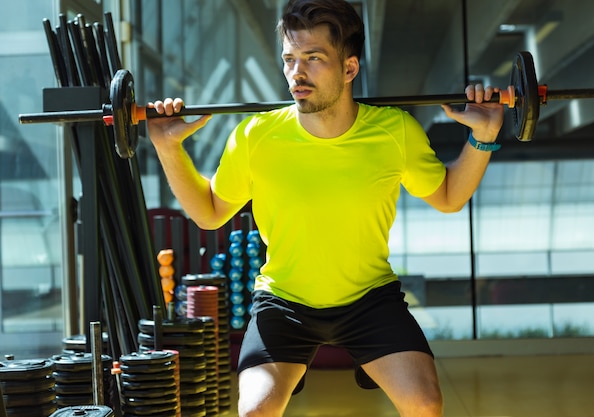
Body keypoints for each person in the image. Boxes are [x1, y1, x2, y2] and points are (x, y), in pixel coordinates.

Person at [147, 0, 504, 415]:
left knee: (425, 403)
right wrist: (167, 147)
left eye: (313, 59)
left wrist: (484, 135)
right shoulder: (256, 136)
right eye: (290, 59)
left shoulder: (394, 132)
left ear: (349, 68)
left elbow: (448, 197)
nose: (296, 73)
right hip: (283, 302)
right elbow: (210, 212)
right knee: (254, 411)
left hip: (370, 300)